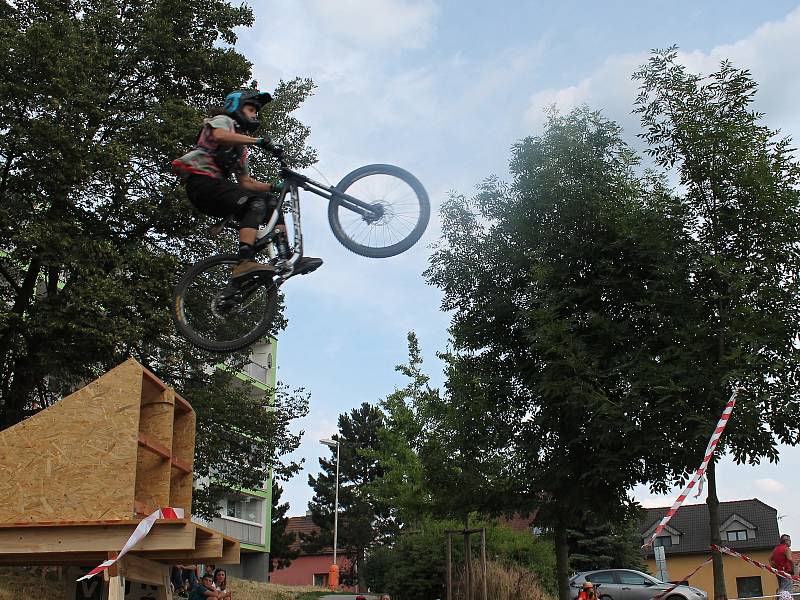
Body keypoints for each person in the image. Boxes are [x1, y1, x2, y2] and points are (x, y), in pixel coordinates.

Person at [172, 88, 322, 281]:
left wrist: (274, 186)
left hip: (215, 190)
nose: (255, 114)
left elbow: (245, 182)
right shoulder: (224, 121)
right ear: (236, 107)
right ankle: (244, 262)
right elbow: (218, 136)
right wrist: (259, 141)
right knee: (254, 204)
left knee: (270, 203)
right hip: (201, 184)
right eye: (251, 109)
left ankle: (287, 257)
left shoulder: (240, 150)